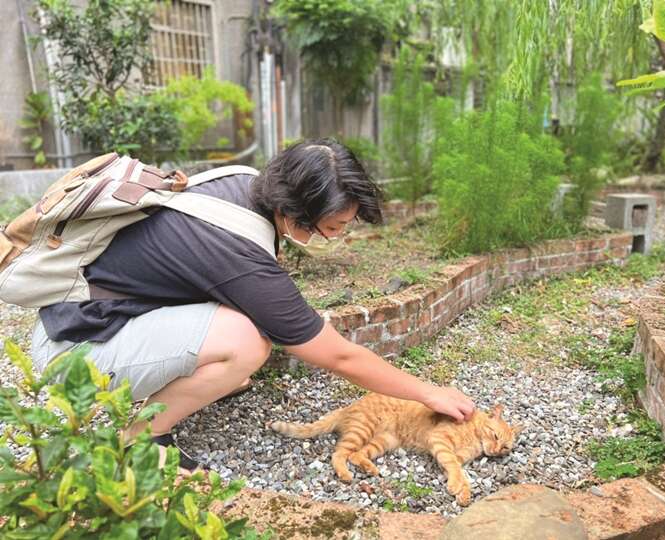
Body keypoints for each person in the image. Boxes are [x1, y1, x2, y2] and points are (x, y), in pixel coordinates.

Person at [30, 139, 475, 470]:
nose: (342, 234)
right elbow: (336, 354)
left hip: (84, 315)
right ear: (298, 211)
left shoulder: (243, 183)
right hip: (73, 349)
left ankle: (186, 382)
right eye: (337, 225)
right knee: (247, 343)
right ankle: (143, 438)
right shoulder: (240, 253)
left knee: (249, 330)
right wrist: (427, 392)